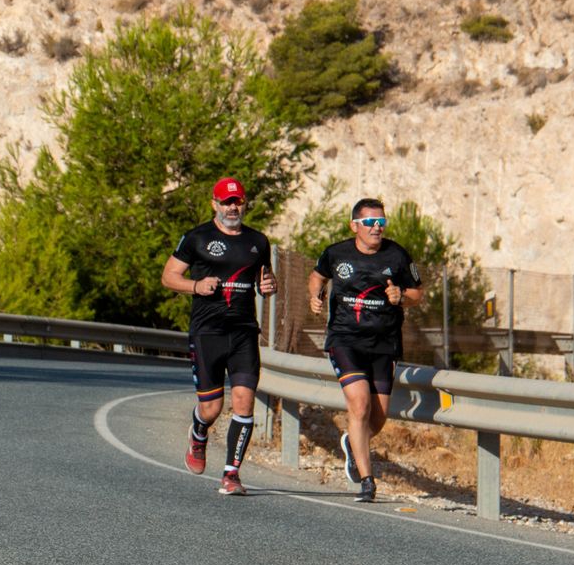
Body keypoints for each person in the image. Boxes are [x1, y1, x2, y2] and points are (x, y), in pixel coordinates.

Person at [160, 177, 277, 496]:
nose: (232, 207)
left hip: (243, 332)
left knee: (244, 401)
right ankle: (199, 433)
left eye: (237, 201)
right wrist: (196, 286)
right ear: (215, 204)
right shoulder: (197, 238)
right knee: (211, 408)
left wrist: (268, 287)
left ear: (245, 204)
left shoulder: (258, 241)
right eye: (226, 202)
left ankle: (232, 473)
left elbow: (265, 279)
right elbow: (169, 277)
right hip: (207, 332)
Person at [306, 198, 424, 503]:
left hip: (384, 343)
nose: (377, 228)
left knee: (378, 419)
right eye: (370, 223)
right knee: (359, 405)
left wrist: (401, 297)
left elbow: (417, 293)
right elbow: (317, 276)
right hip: (345, 340)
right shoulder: (336, 253)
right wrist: (314, 295)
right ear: (354, 226)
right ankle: (368, 481)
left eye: (381, 222)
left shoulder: (397, 255)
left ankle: (352, 443)